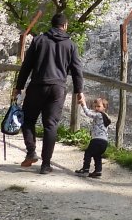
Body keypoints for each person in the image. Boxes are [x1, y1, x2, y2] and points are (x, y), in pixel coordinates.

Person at [13, 12, 85, 174]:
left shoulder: (38, 40)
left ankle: (31, 151)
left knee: (28, 119)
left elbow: (27, 66)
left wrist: (19, 87)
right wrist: (79, 91)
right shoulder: (71, 45)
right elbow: (77, 70)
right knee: (50, 125)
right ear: (65, 26)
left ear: (51, 25)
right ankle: (46, 165)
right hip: (58, 89)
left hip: (38, 85)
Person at [76, 95, 112, 178]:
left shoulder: (99, 115)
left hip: (97, 140)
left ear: (104, 107)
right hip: (104, 142)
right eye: (95, 106)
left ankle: (85, 170)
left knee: (88, 153)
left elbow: (88, 113)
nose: (96, 108)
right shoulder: (105, 116)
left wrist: (83, 104)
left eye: (98, 106)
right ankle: (98, 171)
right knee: (97, 155)